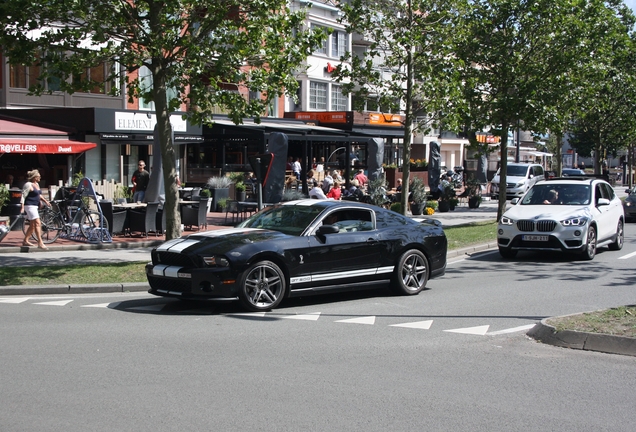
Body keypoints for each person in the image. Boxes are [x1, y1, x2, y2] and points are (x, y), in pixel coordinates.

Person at [20, 169, 50, 249]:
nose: (40, 177)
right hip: (29, 206)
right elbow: (23, 196)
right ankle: (40, 242)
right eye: (39, 176)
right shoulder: (28, 185)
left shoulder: (37, 184)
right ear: (35, 177)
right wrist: (22, 207)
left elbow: (39, 195)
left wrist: (45, 201)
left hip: (35, 206)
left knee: (32, 225)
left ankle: (25, 241)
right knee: (37, 223)